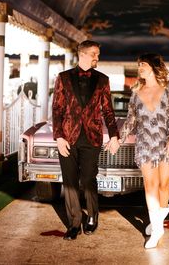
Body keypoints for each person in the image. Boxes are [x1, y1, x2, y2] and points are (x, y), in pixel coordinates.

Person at [52, 40, 119, 240]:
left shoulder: (102, 80)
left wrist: (114, 135)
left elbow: (108, 110)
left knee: (88, 179)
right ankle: (73, 223)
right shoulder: (63, 78)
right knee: (70, 182)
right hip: (68, 138)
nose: (97, 57)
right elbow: (57, 109)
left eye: (98, 53)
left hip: (92, 138)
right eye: (93, 53)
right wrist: (59, 137)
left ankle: (92, 216)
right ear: (82, 54)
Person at [119, 53, 169, 249]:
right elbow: (130, 120)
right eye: (139, 65)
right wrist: (119, 139)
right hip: (145, 145)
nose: (140, 68)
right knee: (150, 186)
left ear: (154, 67)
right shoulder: (136, 91)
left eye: (143, 64)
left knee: (163, 185)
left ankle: (157, 223)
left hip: (166, 143)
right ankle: (156, 231)